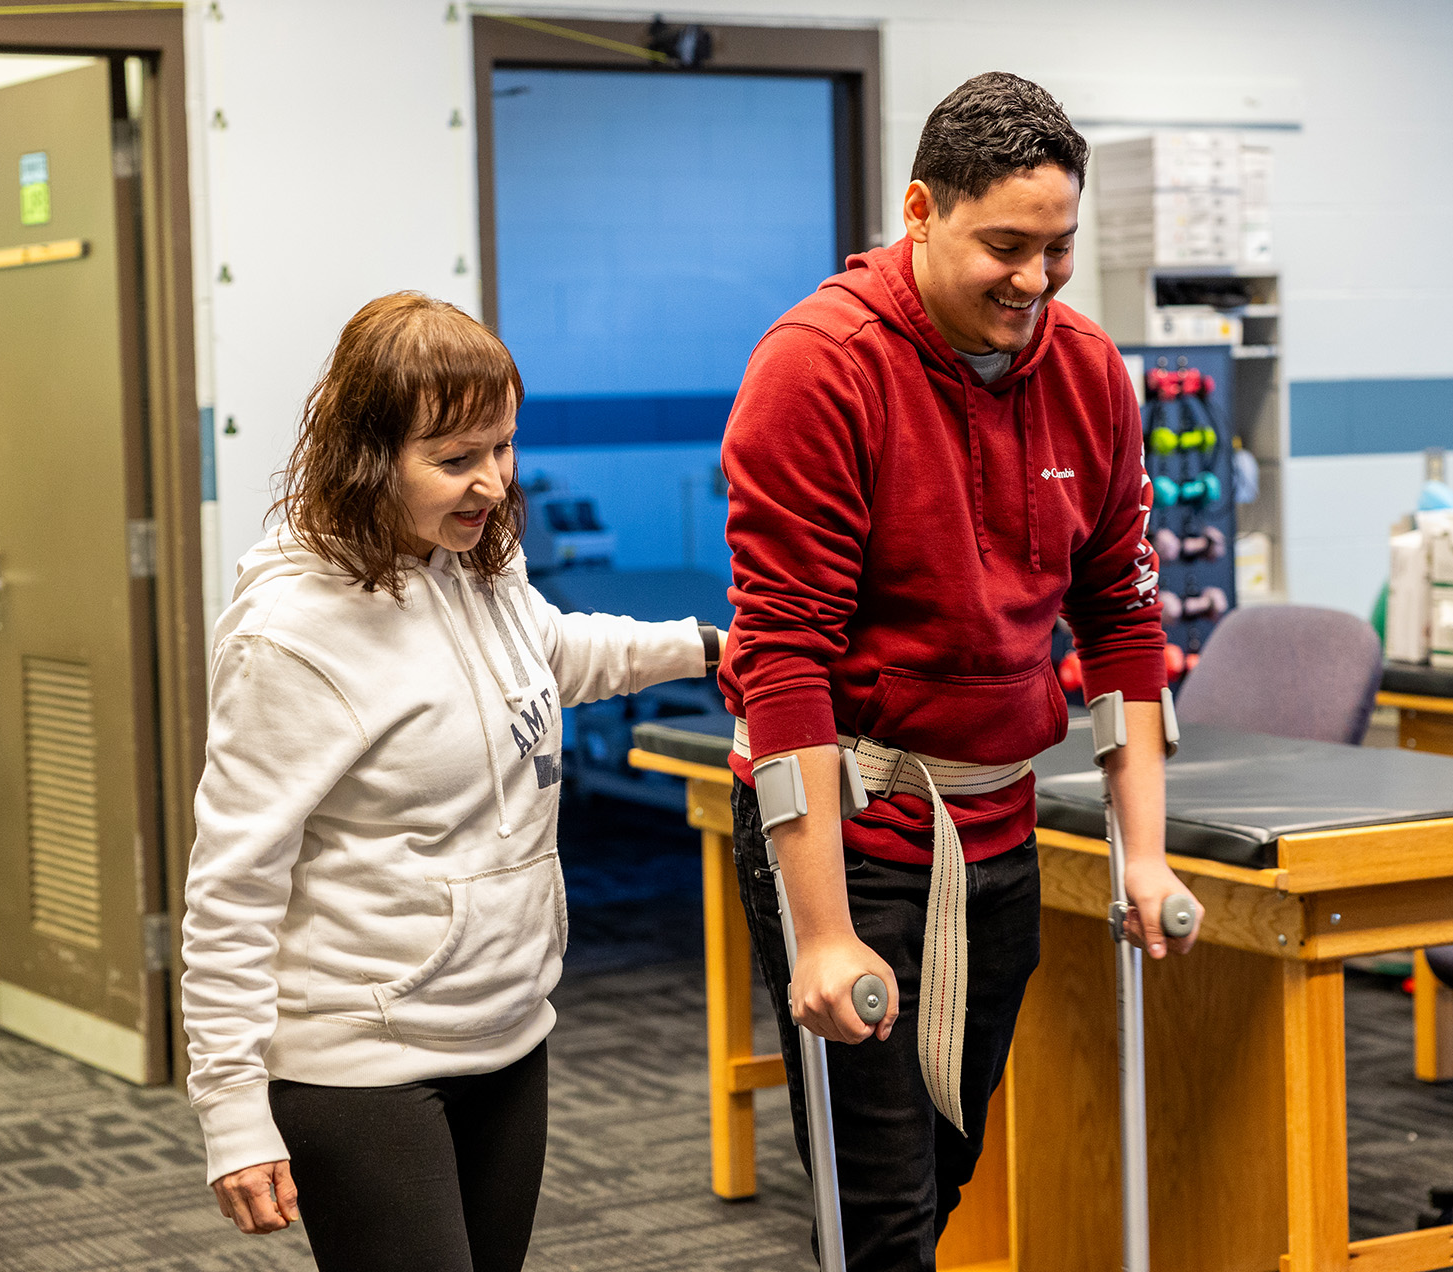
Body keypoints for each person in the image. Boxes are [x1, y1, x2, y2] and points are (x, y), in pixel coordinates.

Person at [719, 72, 1201, 1269]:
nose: (1034, 282)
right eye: (1005, 246)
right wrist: (823, 929)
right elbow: (782, 662)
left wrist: (1145, 852)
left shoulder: (1090, 373)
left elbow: (1124, 629)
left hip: (998, 825)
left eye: (1058, 249)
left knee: (947, 1173)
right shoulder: (820, 366)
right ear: (921, 209)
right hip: (860, 820)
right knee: (881, 1217)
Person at [180, 292, 716, 1271]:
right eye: (456, 458)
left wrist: (706, 647)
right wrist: (230, 1107)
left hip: (506, 1026)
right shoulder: (292, 635)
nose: (493, 482)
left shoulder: (474, 560)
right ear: (370, 455)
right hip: (361, 1057)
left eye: (503, 447)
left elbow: (550, 651)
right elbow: (233, 883)